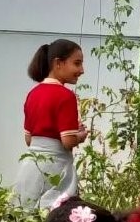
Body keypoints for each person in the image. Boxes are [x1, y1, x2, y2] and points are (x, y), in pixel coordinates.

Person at [13, 39, 87, 210]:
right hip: (56, 169)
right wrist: (79, 136)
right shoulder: (65, 96)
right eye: (77, 63)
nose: (82, 70)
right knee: (57, 216)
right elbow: (67, 141)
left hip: (31, 168)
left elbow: (29, 139)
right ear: (58, 63)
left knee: (26, 214)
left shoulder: (33, 94)